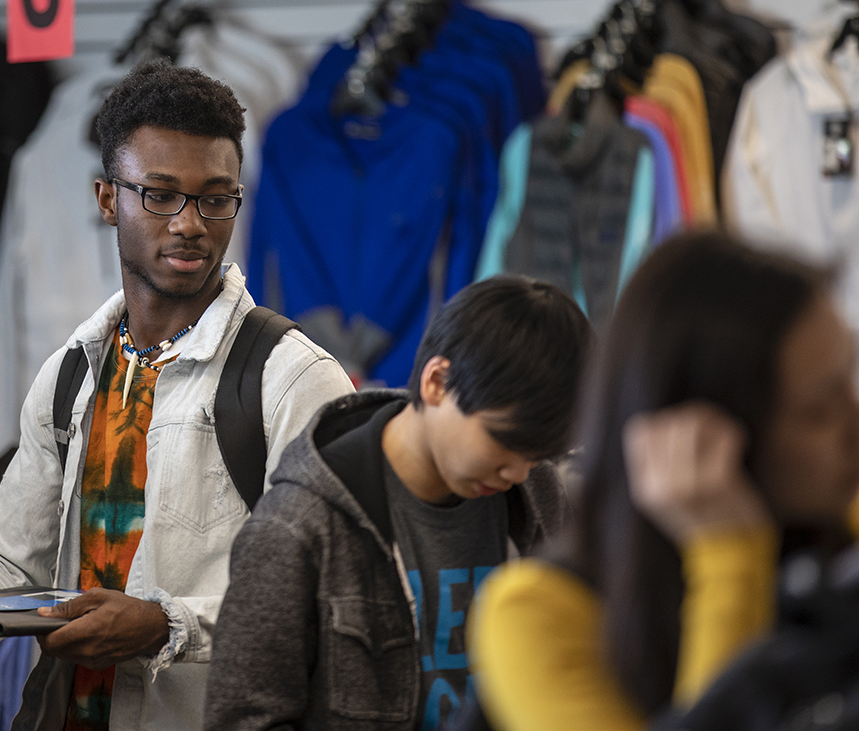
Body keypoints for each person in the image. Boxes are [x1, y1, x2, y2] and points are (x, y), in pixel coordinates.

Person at [0, 60, 354, 731]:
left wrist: (163, 625)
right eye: (159, 194)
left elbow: (326, 594)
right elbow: (14, 560)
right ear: (104, 199)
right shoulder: (71, 376)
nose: (189, 223)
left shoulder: (293, 379)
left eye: (215, 197)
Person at [469, 233, 859, 731]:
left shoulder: (840, 522)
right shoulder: (537, 614)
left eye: (850, 377)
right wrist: (730, 555)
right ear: (711, 429)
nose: (854, 423)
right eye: (819, 409)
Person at [203, 275, 592, 731]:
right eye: (506, 441)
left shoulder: (536, 495)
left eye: (539, 454)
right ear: (438, 382)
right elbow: (244, 719)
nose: (519, 472)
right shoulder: (297, 527)